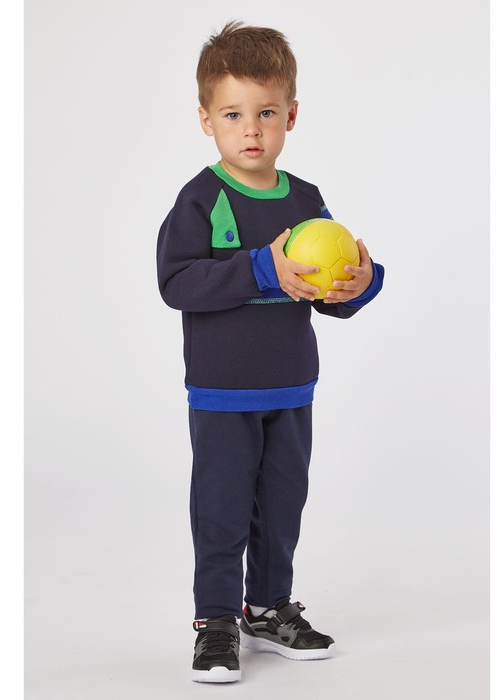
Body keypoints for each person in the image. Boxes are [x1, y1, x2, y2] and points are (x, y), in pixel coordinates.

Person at [156, 20, 385, 683]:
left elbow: (328, 290)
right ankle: (216, 619)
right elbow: (176, 283)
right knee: (222, 509)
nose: (250, 129)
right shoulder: (201, 199)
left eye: (265, 112)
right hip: (223, 391)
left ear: (291, 115)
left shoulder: (307, 200)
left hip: (291, 386)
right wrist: (261, 268)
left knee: (282, 505)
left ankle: (266, 607)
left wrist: (363, 283)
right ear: (206, 119)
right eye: (233, 114)